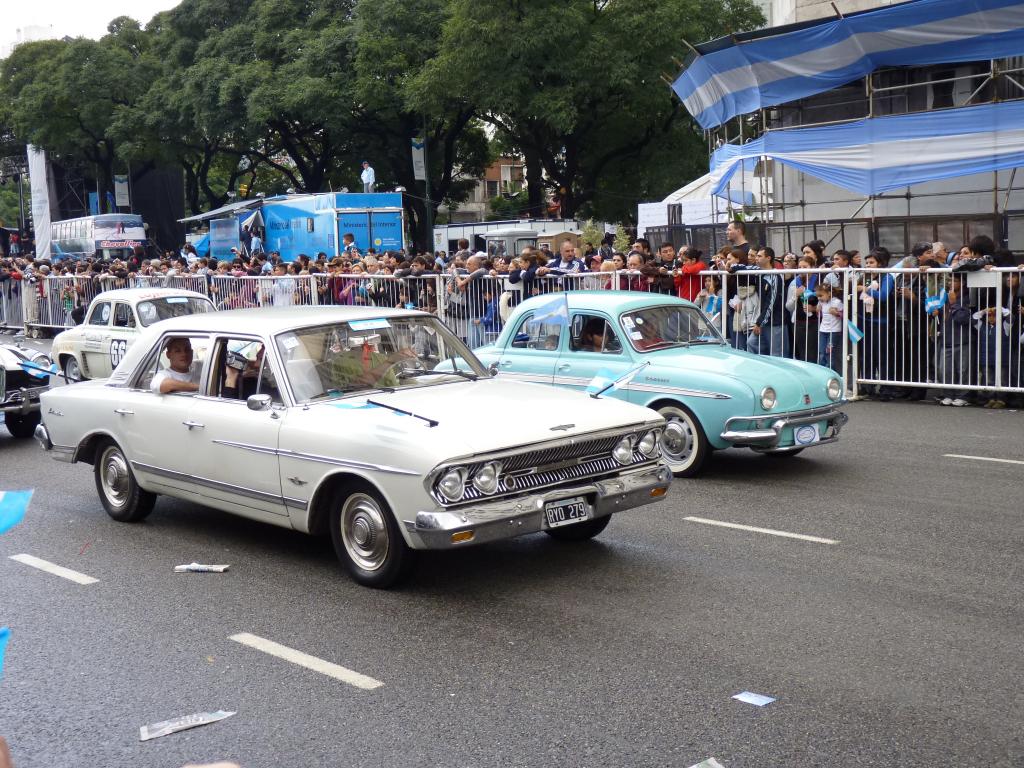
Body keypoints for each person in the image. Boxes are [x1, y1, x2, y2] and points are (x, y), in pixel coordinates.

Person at [815, 282, 843, 374]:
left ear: (829, 294)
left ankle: (831, 373)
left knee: (829, 353)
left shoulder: (837, 302)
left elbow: (845, 315)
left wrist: (837, 313)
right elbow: (819, 314)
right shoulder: (821, 302)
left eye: (821, 295)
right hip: (823, 330)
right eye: (818, 296)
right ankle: (822, 372)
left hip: (833, 331)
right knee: (822, 352)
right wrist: (817, 310)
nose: (819, 298)